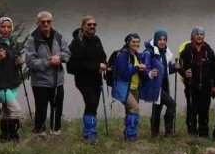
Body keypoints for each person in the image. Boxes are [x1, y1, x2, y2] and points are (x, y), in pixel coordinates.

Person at [25, 11, 70, 136]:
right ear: (38, 22)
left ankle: (56, 132)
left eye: (48, 21)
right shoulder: (32, 39)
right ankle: (39, 134)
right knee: (41, 110)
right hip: (40, 82)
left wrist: (59, 57)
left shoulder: (58, 36)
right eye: (43, 21)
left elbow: (67, 54)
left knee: (57, 109)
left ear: (51, 22)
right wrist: (49, 61)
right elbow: (30, 62)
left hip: (57, 80)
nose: (46, 24)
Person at [67, 15, 106, 143]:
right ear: (83, 26)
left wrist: (104, 64)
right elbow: (72, 67)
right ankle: (89, 135)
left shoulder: (96, 40)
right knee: (91, 103)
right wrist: (96, 66)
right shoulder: (76, 43)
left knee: (93, 105)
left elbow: (103, 56)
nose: (92, 27)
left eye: (94, 25)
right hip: (83, 80)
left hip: (97, 78)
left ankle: (91, 131)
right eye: (89, 24)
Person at [178, 26, 215, 137]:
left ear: (204, 36)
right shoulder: (187, 50)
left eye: (201, 34)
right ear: (192, 36)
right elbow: (179, 66)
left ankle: (204, 134)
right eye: (197, 34)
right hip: (191, 86)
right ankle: (192, 133)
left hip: (206, 86)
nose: (199, 36)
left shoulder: (209, 50)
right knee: (192, 110)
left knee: (204, 110)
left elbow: (214, 69)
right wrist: (184, 72)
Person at [140, 30, 177, 138]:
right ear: (155, 40)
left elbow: (166, 69)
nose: (162, 42)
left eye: (164, 39)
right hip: (155, 85)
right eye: (160, 39)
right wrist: (150, 73)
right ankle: (168, 132)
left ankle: (155, 134)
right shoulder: (149, 52)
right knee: (172, 104)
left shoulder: (165, 52)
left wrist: (175, 67)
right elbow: (144, 69)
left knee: (157, 108)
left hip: (164, 83)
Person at [111, 34, 145, 141]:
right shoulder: (123, 56)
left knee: (129, 111)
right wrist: (137, 68)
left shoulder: (137, 55)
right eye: (133, 42)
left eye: (137, 42)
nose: (136, 44)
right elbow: (123, 74)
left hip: (135, 87)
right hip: (124, 88)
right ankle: (131, 136)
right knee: (135, 108)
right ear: (127, 43)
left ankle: (127, 134)